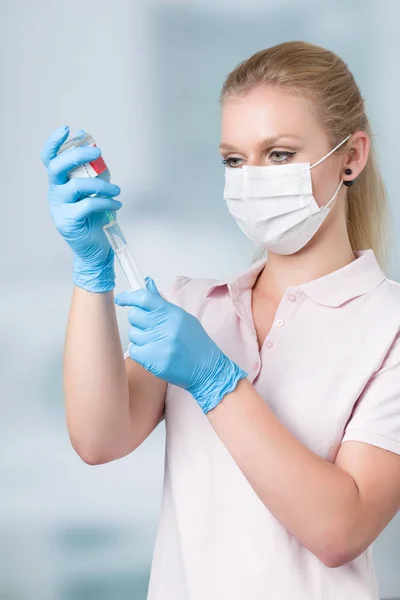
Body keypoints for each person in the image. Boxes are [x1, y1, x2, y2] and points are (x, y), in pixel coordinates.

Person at [41, 40, 400, 600]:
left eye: (279, 154)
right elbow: (97, 438)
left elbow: (340, 529)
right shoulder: (195, 307)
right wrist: (93, 270)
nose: (251, 177)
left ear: (351, 157)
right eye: (235, 159)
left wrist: (216, 380)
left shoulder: (389, 328)